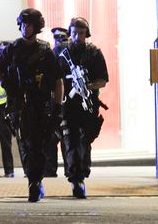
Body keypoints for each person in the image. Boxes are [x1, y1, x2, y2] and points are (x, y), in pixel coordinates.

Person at [0, 8, 64, 202]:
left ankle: (35, 182)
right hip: (19, 107)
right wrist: (7, 84)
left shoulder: (45, 51)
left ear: (37, 27)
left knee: (39, 146)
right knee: (25, 145)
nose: (25, 28)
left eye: (29, 24)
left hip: (40, 106)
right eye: (23, 24)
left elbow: (57, 81)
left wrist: (58, 107)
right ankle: (33, 180)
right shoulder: (13, 49)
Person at [58, 17, 108, 198]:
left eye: (81, 33)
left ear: (86, 34)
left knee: (84, 141)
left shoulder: (94, 53)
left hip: (88, 105)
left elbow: (103, 80)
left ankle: (82, 175)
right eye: (74, 33)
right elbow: (53, 78)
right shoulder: (61, 52)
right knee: (69, 141)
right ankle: (75, 179)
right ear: (69, 33)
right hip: (68, 105)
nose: (77, 37)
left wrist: (87, 87)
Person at [0, 41, 26, 178]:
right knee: (5, 142)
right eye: (0, 51)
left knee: (23, 140)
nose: (2, 53)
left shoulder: (16, 65)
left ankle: (28, 170)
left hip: (16, 106)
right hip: (1, 108)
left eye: (4, 50)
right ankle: (9, 171)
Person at [43, 27, 70, 178]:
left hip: (67, 102)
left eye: (61, 38)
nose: (58, 41)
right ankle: (49, 170)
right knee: (52, 136)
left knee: (67, 137)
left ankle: (69, 169)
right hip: (53, 101)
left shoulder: (69, 54)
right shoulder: (51, 54)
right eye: (56, 38)